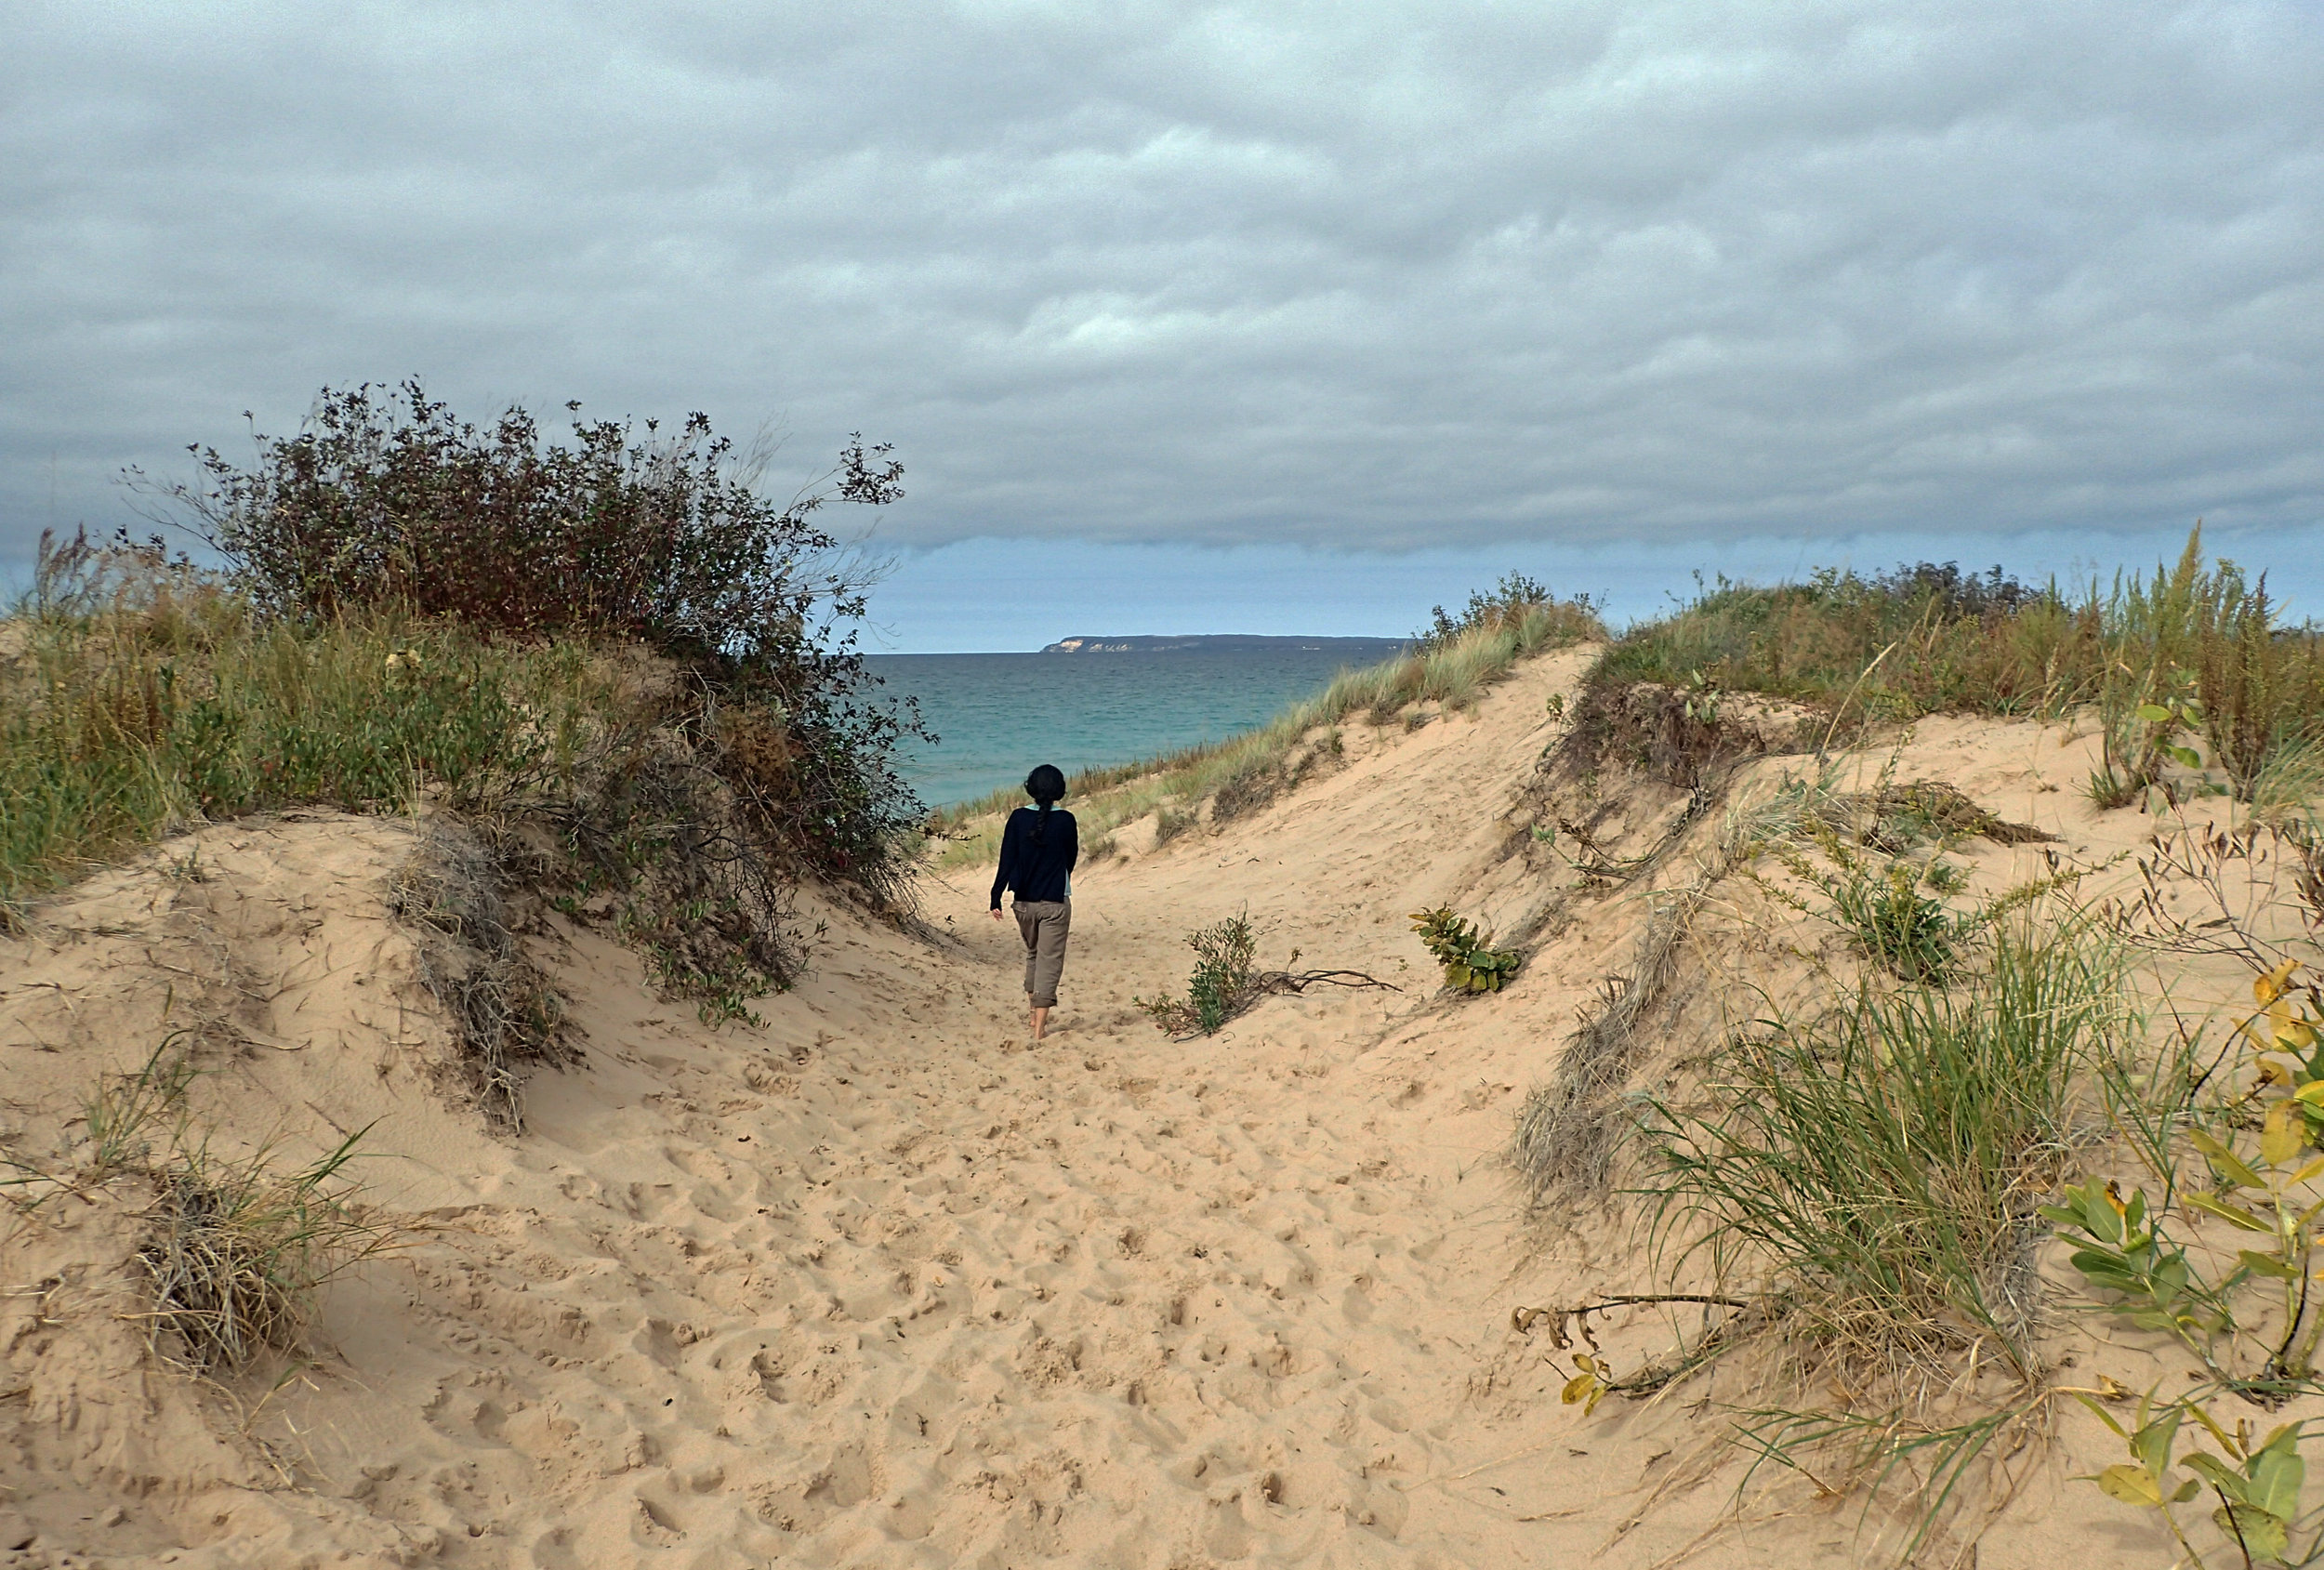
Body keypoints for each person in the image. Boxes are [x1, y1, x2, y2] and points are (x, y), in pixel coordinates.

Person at [990, 763, 1077, 1041]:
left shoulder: (1017, 818)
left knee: (1033, 954)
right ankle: (1040, 1029)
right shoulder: (1065, 820)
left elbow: (1007, 859)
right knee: (1049, 961)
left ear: (1031, 787)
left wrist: (996, 897)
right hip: (1054, 902)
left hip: (1023, 903)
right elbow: (1070, 859)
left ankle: (1032, 1016)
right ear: (1058, 789)